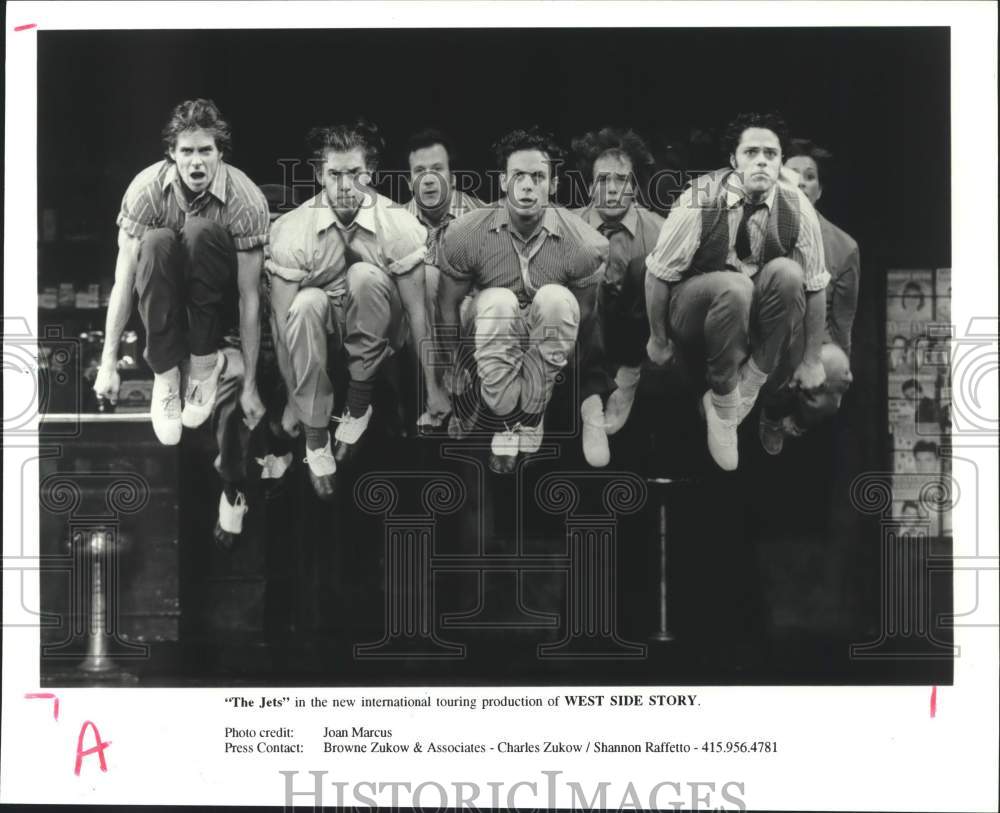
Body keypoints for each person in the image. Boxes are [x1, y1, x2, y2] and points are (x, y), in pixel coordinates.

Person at [266, 119, 446, 500]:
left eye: (354, 174)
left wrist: (434, 387)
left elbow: (418, 314)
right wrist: (294, 404)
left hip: (381, 328)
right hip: (324, 332)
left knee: (365, 275)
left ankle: (359, 403)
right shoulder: (292, 229)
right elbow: (281, 325)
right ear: (319, 174)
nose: (345, 186)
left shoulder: (397, 222)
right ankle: (317, 440)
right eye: (334, 174)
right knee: (306, 302)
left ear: (370, 173)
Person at [644, 112, 829, 470]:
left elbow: (816, 285)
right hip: (694, 307)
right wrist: (658, 340)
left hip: (748, 309)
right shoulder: (698, 198)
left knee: (789, 273)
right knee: (735, 285)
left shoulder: (796, 204)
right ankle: (726, 400)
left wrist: (812, 360)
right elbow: (657, 276)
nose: (761, 160)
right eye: (751, 152)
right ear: (733, 159)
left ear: (780, 162)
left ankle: (742, 392)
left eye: (771, 154)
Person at [93, 98, 269, 446]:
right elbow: (125, 281)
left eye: (206, 150)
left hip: (218, 315)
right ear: (171, 153)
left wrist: (250, 384)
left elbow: (250, 297)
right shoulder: (146, 190)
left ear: (221, 153)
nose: (196, 161)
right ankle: (166, 374)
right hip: (166, 313)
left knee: (199, 232)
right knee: (156, 241)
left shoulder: (245, 199)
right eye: (187, 151)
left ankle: (205, 366)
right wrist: (107, 363)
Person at [437, 126, 608, 474]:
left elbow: (583, 315)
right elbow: (447, 305)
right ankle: (505, 421)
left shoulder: (585, 243)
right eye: (518, 176)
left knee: (557, 299)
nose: (527, 186)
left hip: (543, 336)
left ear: (553, 185)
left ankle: (530, 411)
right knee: (498, 300)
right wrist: (453, 362)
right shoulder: (466, 232)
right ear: (502, 182)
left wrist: (548, 360)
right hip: (489, 325)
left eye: (538, 176)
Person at [757, 137, 861, 453]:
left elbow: (842, 324)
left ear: (819, 190)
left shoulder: (844, 247)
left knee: (837, 367)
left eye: (810, 176)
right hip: (770, 334)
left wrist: (833, 380)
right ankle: (772, 414)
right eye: (792, 175)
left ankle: (799, 420)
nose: (801, 182)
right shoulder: (754, 230)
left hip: (816, 344)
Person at [570, 127, 665, 466]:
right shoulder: (568, 225)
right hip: (583, 342)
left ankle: (627, 378)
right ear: (589, 184)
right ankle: (591, 401)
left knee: (648, 270)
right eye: (602, 180)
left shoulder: (660, 230)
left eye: (621, 180)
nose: (611, 189)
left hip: (637, 347)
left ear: (635, 185)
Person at [403, 128, 487, 427]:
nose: (428, 178)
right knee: (422, 279)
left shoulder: (482, 218)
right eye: (419, 171)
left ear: (452, 177)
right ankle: (434, 394)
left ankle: (467, 396)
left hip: (467, 324)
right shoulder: (394, 223)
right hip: (417, 329)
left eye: (437, 169)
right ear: (410, 180)